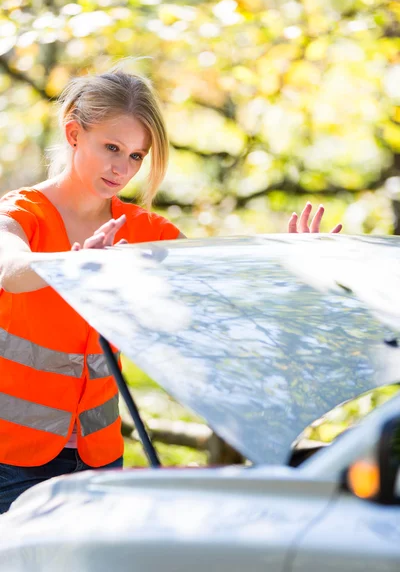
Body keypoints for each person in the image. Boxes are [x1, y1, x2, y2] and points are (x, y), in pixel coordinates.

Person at [0, 66, 342, 514]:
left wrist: (294, 264)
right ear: (73, 133)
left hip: (97, 459)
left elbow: (224, 283)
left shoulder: (143, 230)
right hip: (11, 457)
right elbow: (11, 268)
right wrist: (73, 264)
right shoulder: (23, 212)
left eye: (137, 156)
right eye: (112, 148)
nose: (123, 168)